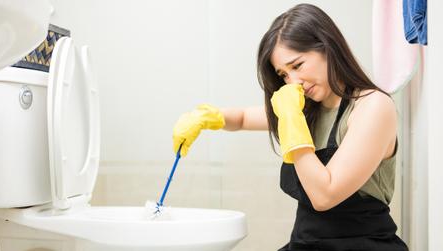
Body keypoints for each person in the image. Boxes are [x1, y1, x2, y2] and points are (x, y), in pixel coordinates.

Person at [172, 3, 408, 251]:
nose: (293, 82)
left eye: (297, 65)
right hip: (306, 244)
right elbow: (242, 118)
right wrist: (207, 118)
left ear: (328, 47)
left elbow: (325, 195)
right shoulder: (308, 109)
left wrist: (291, 121)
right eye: (283, 75)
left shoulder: (371, 107)